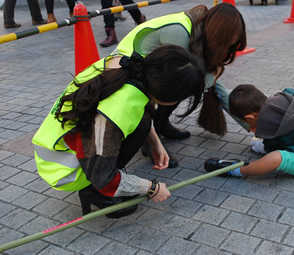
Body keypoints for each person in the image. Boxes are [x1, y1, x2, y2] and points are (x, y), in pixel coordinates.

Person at [32, 45, 205, 218]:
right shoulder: (113, 115)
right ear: (169, 96)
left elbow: (136, 110)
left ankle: (104, 179)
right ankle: (93, 191)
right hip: (62, 169)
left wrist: (156, 144)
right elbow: (102, 177)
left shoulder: (133, 66)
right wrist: (152, 188)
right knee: (141, 124)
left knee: (143, 121)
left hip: (68, 144)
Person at [111, 3, 248, 168]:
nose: (226, 50)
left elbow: (215, 87)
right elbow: (177, 82)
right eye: (226, 44)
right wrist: (155, 144)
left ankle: (162, 124)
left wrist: (250, 125)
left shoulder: (200, 36)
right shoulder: (180, 33)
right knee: (179, 85)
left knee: (183, 83)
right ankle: (147, 138)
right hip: (123, 72)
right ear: (217, 34)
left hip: (147, 74)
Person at [205, 85, 294, 178]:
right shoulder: (281, 99)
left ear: (249, 118)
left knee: (275, 158)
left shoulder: (270, 130)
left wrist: (260, 142)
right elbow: (291, 91)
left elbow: (270, 148)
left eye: (246, 122)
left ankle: (235, 171)